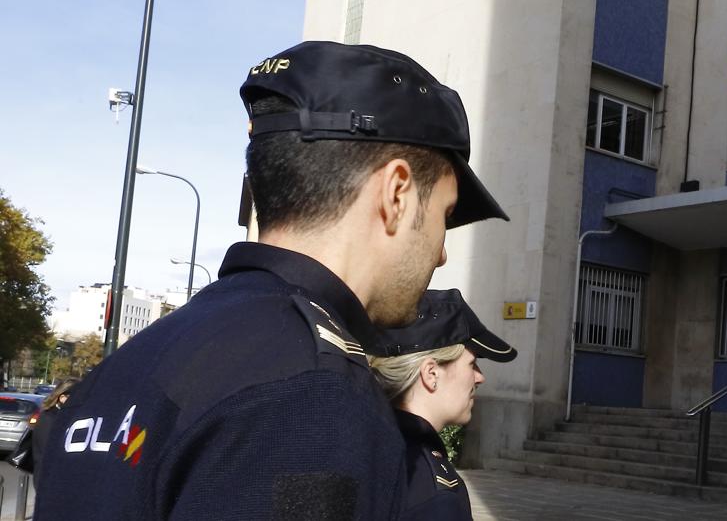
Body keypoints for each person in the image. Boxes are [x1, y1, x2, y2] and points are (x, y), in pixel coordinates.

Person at [33, 41, 508, 520]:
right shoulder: (311, 393)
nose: (442, 252)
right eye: (444, 216)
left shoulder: (136, 359)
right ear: (397, 194)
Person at [370, 289, 517, 520]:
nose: (480, 377)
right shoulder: (431, 489)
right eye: (472, 364)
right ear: (431, 374)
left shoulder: (368, 444)